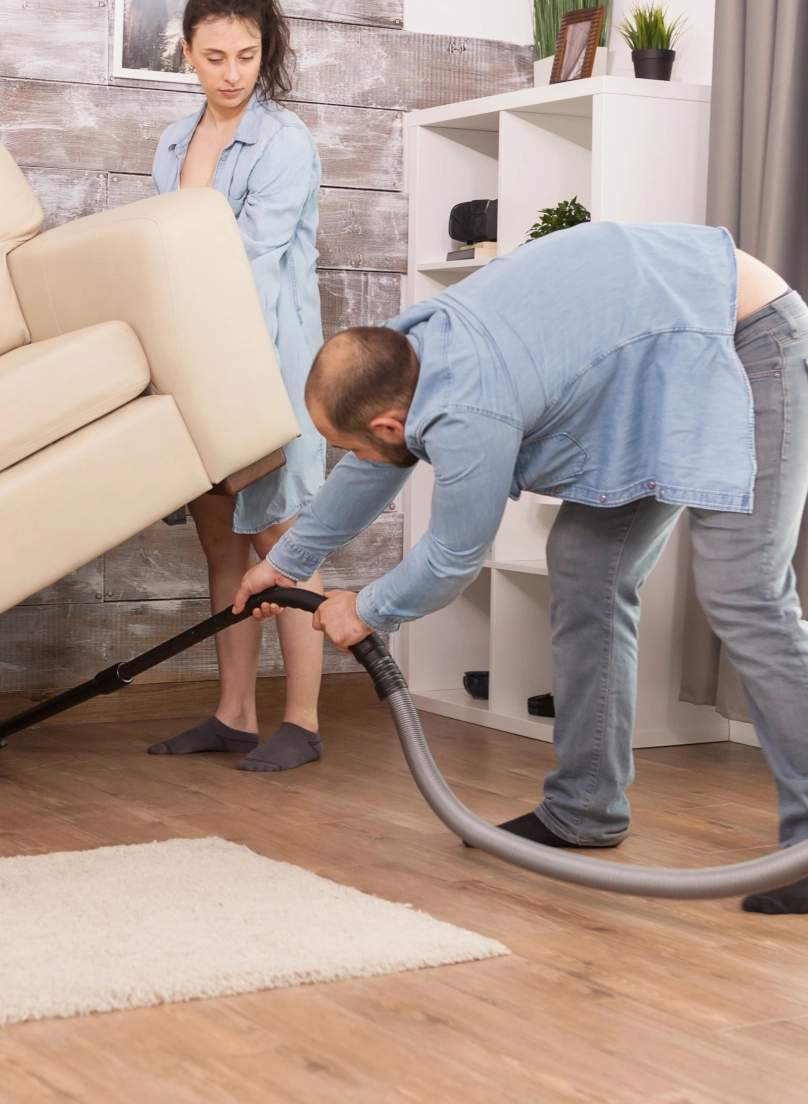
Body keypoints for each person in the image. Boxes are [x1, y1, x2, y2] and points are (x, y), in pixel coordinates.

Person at [236, 220, 808, 914]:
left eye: (355, 442)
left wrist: (364, 609)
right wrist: (290, 563)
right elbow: (374, 465)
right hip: (655, 357)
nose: (356, 453)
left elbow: (454, 554)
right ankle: (584, 808)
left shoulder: (469, 403)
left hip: (743, 336)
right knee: (583, 562)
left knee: (744, 592)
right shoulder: (407, 356)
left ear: (388, 423)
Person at [146, 0, 328, 773]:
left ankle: (305, 720)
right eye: (214, 56)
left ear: (265, 53)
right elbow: (158, 248)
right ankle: (233, 713)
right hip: (195, 360)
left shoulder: (284, 143)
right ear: (187, 52)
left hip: (266, 364)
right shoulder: (171, 143)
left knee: (285, 545)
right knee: (221, 541)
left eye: (246, 56)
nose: (230, 72)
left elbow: (247, 261)